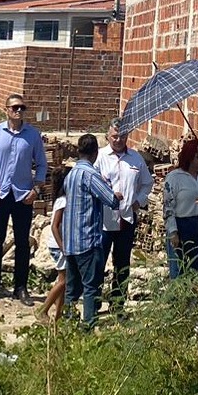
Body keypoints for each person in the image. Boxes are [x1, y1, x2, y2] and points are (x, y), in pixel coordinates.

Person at [0, 93, 49, 304]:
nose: (18, 111)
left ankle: (21, 287)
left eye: (22, 108)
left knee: (22, 243)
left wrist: (36, 188)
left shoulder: (32, 135)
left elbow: (42, 164)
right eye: (15, 108)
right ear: (7, 110)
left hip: (22, 195)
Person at [60, 133, 122, 327]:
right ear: (95, 152)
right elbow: (111, 201)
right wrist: (116, 194)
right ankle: (88, 326)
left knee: (71, 289)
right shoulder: (90, 174)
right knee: (90, 287)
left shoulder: (71, 174)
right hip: (87, 240)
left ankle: (69, 324)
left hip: (70, 241)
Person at [95, 121, 153, 309]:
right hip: (105, 218)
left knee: (122, 264)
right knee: (99, 261)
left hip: (127, 216)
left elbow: (147, 183)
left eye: (122, 136)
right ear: (108, 136)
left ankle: (118, 304)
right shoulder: (100, 157)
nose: (119, 140)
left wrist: (140, 201)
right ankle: (93, 304)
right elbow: (91, 182)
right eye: (114, 136)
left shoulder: (136, 158)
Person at [163, 138, 198, 277]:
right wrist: (173, 231)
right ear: (191, 156)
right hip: (182, 225)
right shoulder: (174, 177)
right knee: (180, 269)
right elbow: (168, 207)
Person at [38, 166, 70, 323]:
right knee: (64, 281)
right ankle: (43, 310)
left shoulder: (60, 199)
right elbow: (55, 226)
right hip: (59, 245)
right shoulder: (63, 201)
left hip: (59, 244)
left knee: (62, 281)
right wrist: (62, 246)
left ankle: (58, 314)